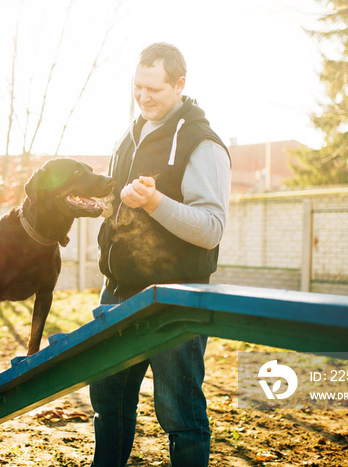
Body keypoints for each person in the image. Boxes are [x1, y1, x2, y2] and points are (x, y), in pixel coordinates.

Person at [92, 42, 231, 467]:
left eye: (154, 88)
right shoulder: (128, 137)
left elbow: (211, 230)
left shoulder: (202, 144)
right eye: (138, 86)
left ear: (180, 84)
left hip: (176, 298)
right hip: (117, 295)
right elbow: (118, 208)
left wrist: (154, 203)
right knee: (108, 403)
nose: (144, 96)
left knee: (179, 412)